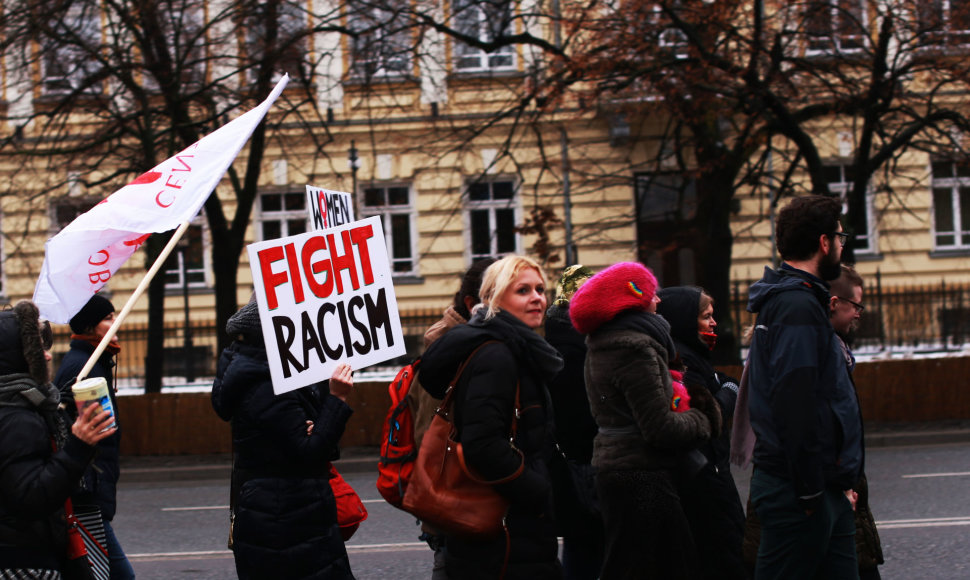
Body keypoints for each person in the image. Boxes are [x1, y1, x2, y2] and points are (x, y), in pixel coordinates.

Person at [569, 261, 719, 579]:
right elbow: (660, 427)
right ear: (633, 299)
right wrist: (701, 418)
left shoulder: (607, 343)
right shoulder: (634, 348)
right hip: (640, 476)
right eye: (651, 293)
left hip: (623, 472)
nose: (658, 300)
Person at [419, 255, 564, 579]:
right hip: (506, 524)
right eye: (523, 290)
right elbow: (483, 444)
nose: (537, 297)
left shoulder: (514, 347)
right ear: (494, 299)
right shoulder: (498, 354)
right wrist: (536, 489)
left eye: (540, 289)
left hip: (511, 524)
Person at [746, 195, 864, 579]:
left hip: (821, 484)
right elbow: (795, 399)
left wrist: (837, 483)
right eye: (840, 237)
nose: (843, 245)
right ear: (824, 242)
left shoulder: (801, 299)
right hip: (800, 489)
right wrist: (812, 489)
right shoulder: (796, 305)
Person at [211, 296, 356, 580]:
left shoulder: (276, 374)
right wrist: (337, 398)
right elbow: (312, 450)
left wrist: (323, 417)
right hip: (285, 518)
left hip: (287, 513)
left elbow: (317, 441)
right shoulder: (267, 384)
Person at [0, 300, 116, 577]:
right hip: (23, 562)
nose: (48, 356)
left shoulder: (27, 407)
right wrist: (78, 447)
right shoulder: (17, 418)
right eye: (38, 349)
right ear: (18, 356)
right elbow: (31, 496)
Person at [411, 257, 495, 579]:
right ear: (474, 303)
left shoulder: (479, 342)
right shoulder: (447, 349)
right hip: (458, 499)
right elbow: (429, 435)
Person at [657, 286, 747, 579]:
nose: (713, 323)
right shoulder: (681, 362)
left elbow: (723, 382)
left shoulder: (694, 356)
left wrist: (725, 386)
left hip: (712, 472)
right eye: (706, 317)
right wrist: (728, 389)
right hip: (706, 479)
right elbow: (711, 413)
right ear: (684, 320)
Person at [53, 293, 134, 579]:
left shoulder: (95, 361)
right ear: (89, 326)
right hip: (87, 491)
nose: (115, 323)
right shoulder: (81, 366)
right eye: (108, 318)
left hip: (92, 487)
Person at [543, 265, 603, 580]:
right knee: (588, 547)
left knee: (584, 546)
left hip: (573, 463)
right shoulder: (577, 347)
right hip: (584, 463)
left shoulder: (561, 339)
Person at [828, 265, 883, 580]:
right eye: (856, 306)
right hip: (835, 487)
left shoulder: (838, 350)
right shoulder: (828, 352)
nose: (860, 313)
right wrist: (842, 483)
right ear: (835, 303)